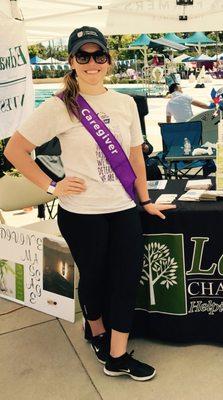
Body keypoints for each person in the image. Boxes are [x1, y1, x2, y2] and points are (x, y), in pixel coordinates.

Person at [4, 26, 175, 381]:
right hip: (82, 215)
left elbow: (135, 159)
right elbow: (15, 151)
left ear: (109, 61)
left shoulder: (126, 103)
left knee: (126, 279)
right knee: (94, 280)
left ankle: (116, 356)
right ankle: (95, 330)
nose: (92, 63)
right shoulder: (59, 105)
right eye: (83, 56)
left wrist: (144, 200)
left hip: (123, 209)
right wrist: (52, 185)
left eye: (99, 56)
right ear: (72, 61)